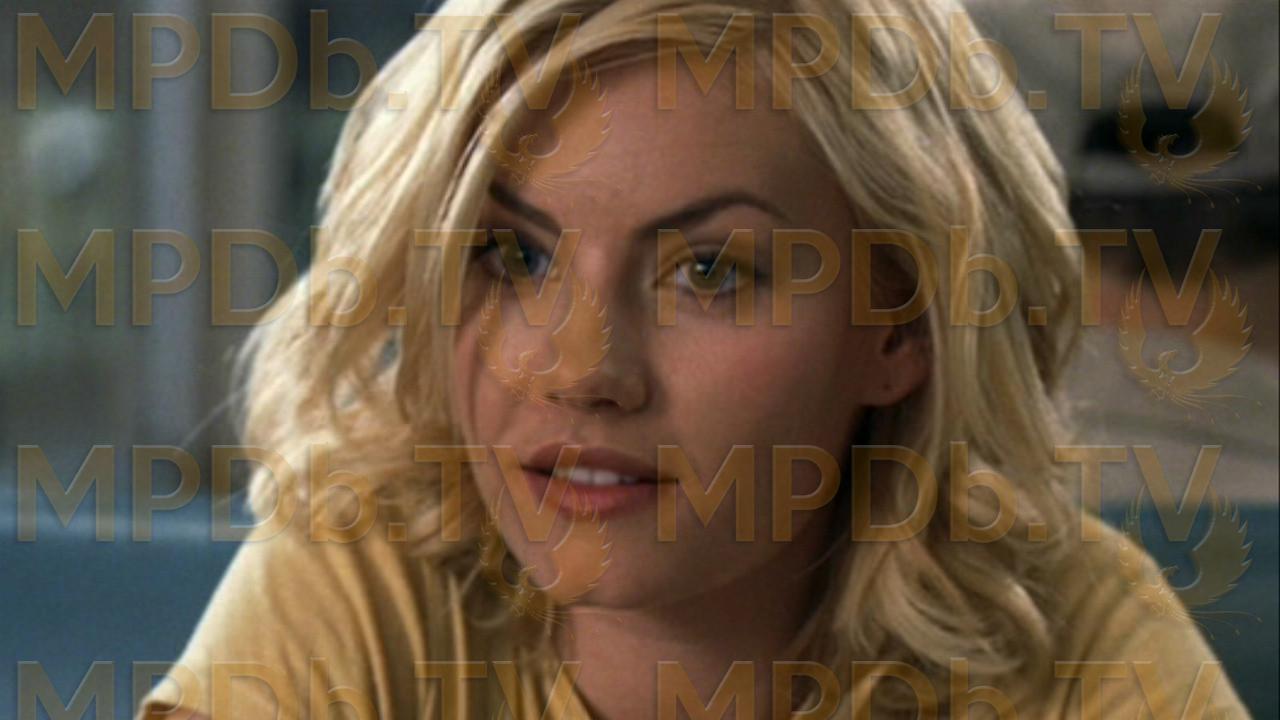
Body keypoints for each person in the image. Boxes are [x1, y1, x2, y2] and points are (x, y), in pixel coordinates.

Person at [138, 0, 1248, 717]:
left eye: (710, 272)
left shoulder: (1070, 634)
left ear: (901, 329)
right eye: (513, 256)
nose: (583, 371)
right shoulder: (367, 571)